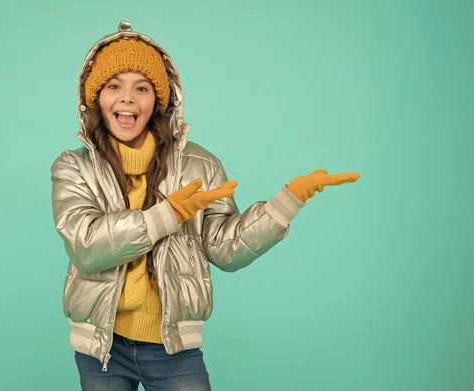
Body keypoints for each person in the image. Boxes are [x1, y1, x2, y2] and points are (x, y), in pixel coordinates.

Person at [50, 20, 360, 391]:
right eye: (114, 85)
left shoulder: (199, 165)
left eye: (142, 88)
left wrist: (285, 202)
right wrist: (168, 214)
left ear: (160, 100)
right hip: (101, 347)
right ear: (95, 97)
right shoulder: (73, 167)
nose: (128, 98)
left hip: (173, 346)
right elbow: (86, 247)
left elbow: (227, 249)